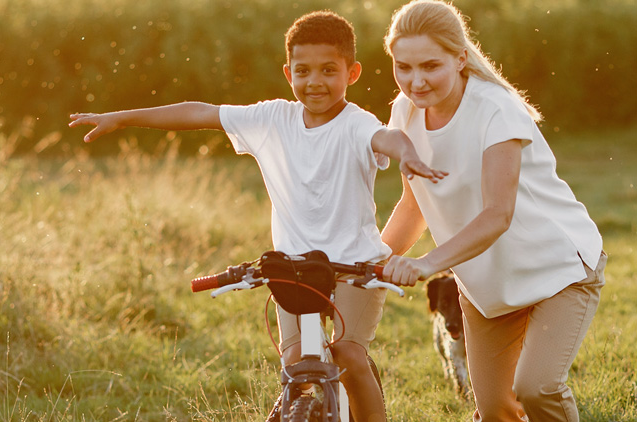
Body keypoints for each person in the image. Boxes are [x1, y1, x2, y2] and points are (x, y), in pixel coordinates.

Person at [69, 10, 446, 422]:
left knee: (348, 354)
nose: (314, 81)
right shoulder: (272, 119)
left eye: (328, 70)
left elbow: (385, 137)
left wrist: (407, 152)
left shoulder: (356, 124)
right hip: (293, 268)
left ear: (351, 73)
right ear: (288, 73)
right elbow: (200, 113)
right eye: (303, 71)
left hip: (356, 266)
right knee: (297, 368)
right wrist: (122, 117)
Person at [377, 1, 607, 421]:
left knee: (536, 390)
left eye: (430, 65)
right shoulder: (404, 113)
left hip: (558, 271)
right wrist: (371, 259)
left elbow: (497, 214)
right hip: (486, 287)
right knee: (496, 408)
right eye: (403, 67)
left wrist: (426, 263)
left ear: (460, 57)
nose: (415, 81)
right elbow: (415, 205)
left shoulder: (495, 109)